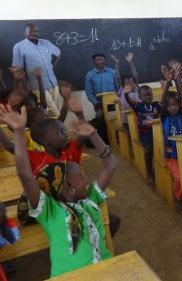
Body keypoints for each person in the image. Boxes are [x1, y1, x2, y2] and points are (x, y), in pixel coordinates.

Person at [0, 104, 116, 277]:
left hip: (106, 270)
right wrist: (18, 132)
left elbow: (111, 165)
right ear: (69, 187)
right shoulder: (51, 211)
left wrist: (93, 133)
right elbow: (25, 176)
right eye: (81, 177)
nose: (86, 179)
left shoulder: (90, 198)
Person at [12, 23, 62, 117]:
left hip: (53, 84)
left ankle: (52, 131)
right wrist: (26, 88)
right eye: (30, 31)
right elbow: (18, 69)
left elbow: (59, 53)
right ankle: (60, 130)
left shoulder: (45, 43)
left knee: (53, 115)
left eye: (36, 31)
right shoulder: (19, 47)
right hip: (37, 88)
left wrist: (51, 66)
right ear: (25, 33)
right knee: (56, 115)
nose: (34, 33)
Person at [85, 53, 117, 144]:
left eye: (101, 59)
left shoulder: (113, 72)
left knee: (116, 118)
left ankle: (116, 139)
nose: (100, 61)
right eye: (97, 60)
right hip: (99, 103)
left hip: (113, 102)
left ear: (105, 60)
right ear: (94, 62)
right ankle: (106, 141)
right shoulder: (89, 75)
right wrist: (96, 103)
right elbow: (89, 92)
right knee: (100, 119)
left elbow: (118, 87)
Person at [162, 90, 182, 205]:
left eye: (175, 104)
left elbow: (181, 100)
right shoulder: (164, 118)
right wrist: (167, 83)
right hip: (172, 156)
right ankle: (178, 197)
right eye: (169, 105)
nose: (173, 108)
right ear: (166, 107)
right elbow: (162, 104)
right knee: (179, 177)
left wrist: (176, 79)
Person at [113, 52, 140, 131]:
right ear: (123, 85)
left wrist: (130, 61)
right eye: (127, 83)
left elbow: (135, 75)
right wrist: (117, 63)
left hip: (139, 116)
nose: (130, 84)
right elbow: (117, 77)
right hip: (126, 119)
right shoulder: (121, 90)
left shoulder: (136, 88)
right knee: (130, 135)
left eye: (131, 82)